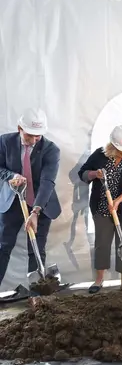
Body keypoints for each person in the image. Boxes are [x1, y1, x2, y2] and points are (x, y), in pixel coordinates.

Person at [78, 125, 122, 293]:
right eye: (121, 150)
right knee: (102, 243)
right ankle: (99, 280)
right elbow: (83, 173)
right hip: (101, 207)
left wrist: (118, 201)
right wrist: (95, 174)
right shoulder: (100, 155)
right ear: (112, 145)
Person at [0, 109, 61, 288]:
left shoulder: (51, 149)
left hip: (41, 204)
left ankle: (37, 295)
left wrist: (36, 210)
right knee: (3, 247)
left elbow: (47, 181)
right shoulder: (4, 142)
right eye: (30, 135)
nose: (34, 140)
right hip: (13, 203)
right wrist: (11, 175)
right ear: (20, 128)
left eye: (38, 136)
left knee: (36, 250)